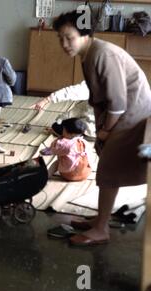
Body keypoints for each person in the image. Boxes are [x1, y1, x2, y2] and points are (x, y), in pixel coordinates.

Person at [53, 11, 151, 246]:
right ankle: (101, 219)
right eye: (60, 38)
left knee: (108, 168)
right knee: (109, 167)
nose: (64, 44)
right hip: (125, 112)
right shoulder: (89, 52)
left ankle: (101, 228)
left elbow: (117, 103)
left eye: (69, 37)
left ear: (85, 34)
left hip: (134, 113)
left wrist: (106, 132)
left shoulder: (102, 53)